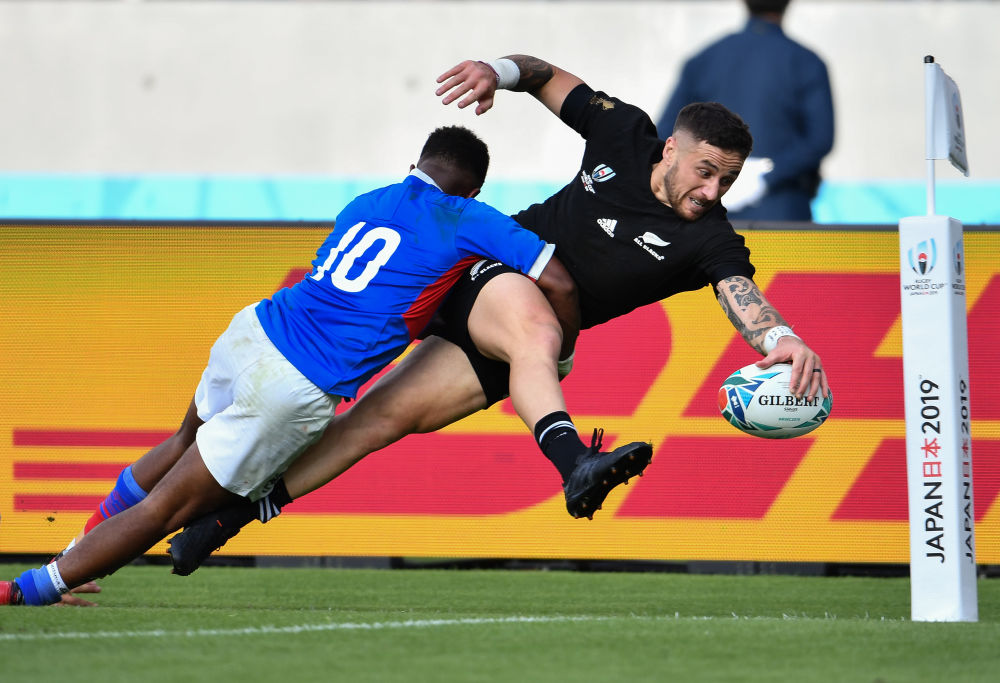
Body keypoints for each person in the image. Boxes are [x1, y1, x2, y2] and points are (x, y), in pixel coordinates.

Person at [25, 52, 830, 590]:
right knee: (542, 331)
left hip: (518, 337)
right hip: (496, 274)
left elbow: (743, 297)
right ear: (671, 150)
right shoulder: (624, 132)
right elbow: (543, 75)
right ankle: (573, 464)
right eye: (705, 171)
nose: (712, 192)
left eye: (726, 181)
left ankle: (230, 516)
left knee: (377, 422)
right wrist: (495, 71)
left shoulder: (709, 238)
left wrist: (781, 339)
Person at [1, 125, 652, 606]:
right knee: (166, 511)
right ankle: (31, 589)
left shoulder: (366, 202)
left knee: (179, 444)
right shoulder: (467, 217)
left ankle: (77, 550)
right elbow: (557, 280)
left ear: (414, 166)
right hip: (294, 383)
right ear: (475, 189)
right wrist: (561, 350)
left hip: (252, 331)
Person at [656, 0, 834, 221]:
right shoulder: (807, 62)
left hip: (705, 214)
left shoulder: (704, 59)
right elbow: (819, 139)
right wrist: (767, 175)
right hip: (781, 214)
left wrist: (705, 173)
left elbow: (667, 133)